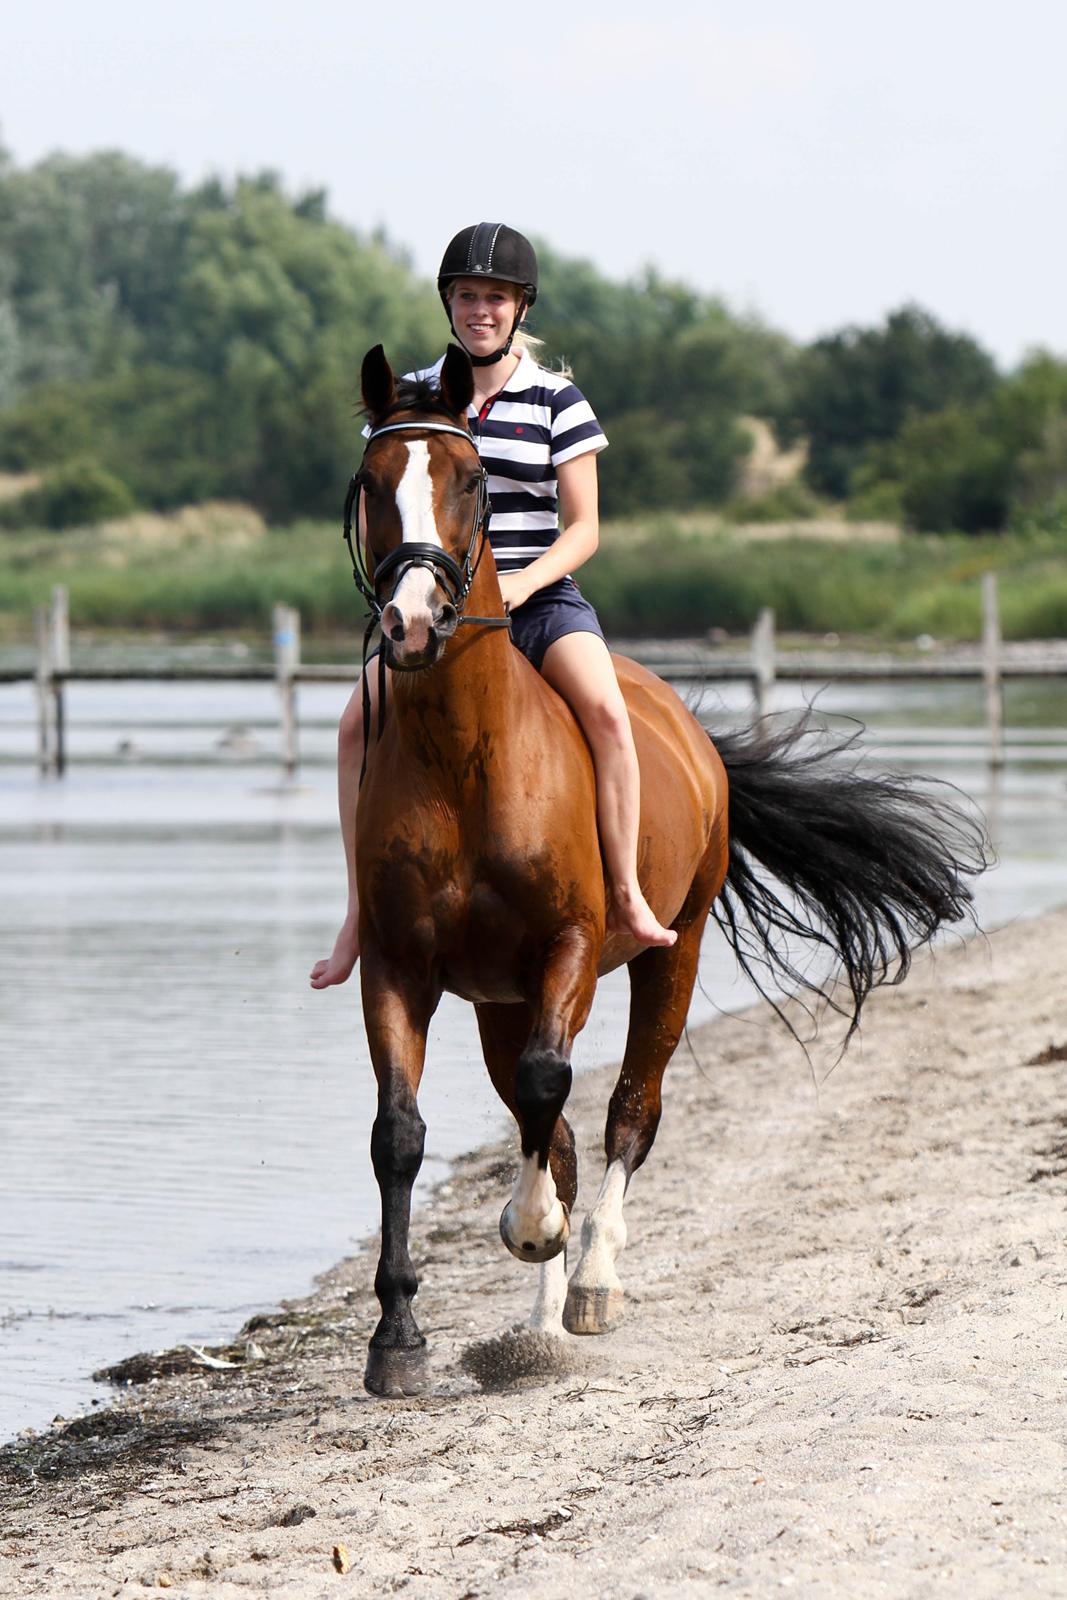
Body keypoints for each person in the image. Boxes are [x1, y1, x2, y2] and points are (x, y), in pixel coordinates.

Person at [310, 222, 676, 988]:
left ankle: (627, 894)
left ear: (519, 308)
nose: (480, 309)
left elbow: (584, 529)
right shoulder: (412, 395)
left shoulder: (556, 400)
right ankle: (356, 916)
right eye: (467, 295)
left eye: (495, 297)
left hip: (536, 601)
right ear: (449, 303)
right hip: (433, 606)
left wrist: (517, 585)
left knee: (609, 716)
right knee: (352, 729)